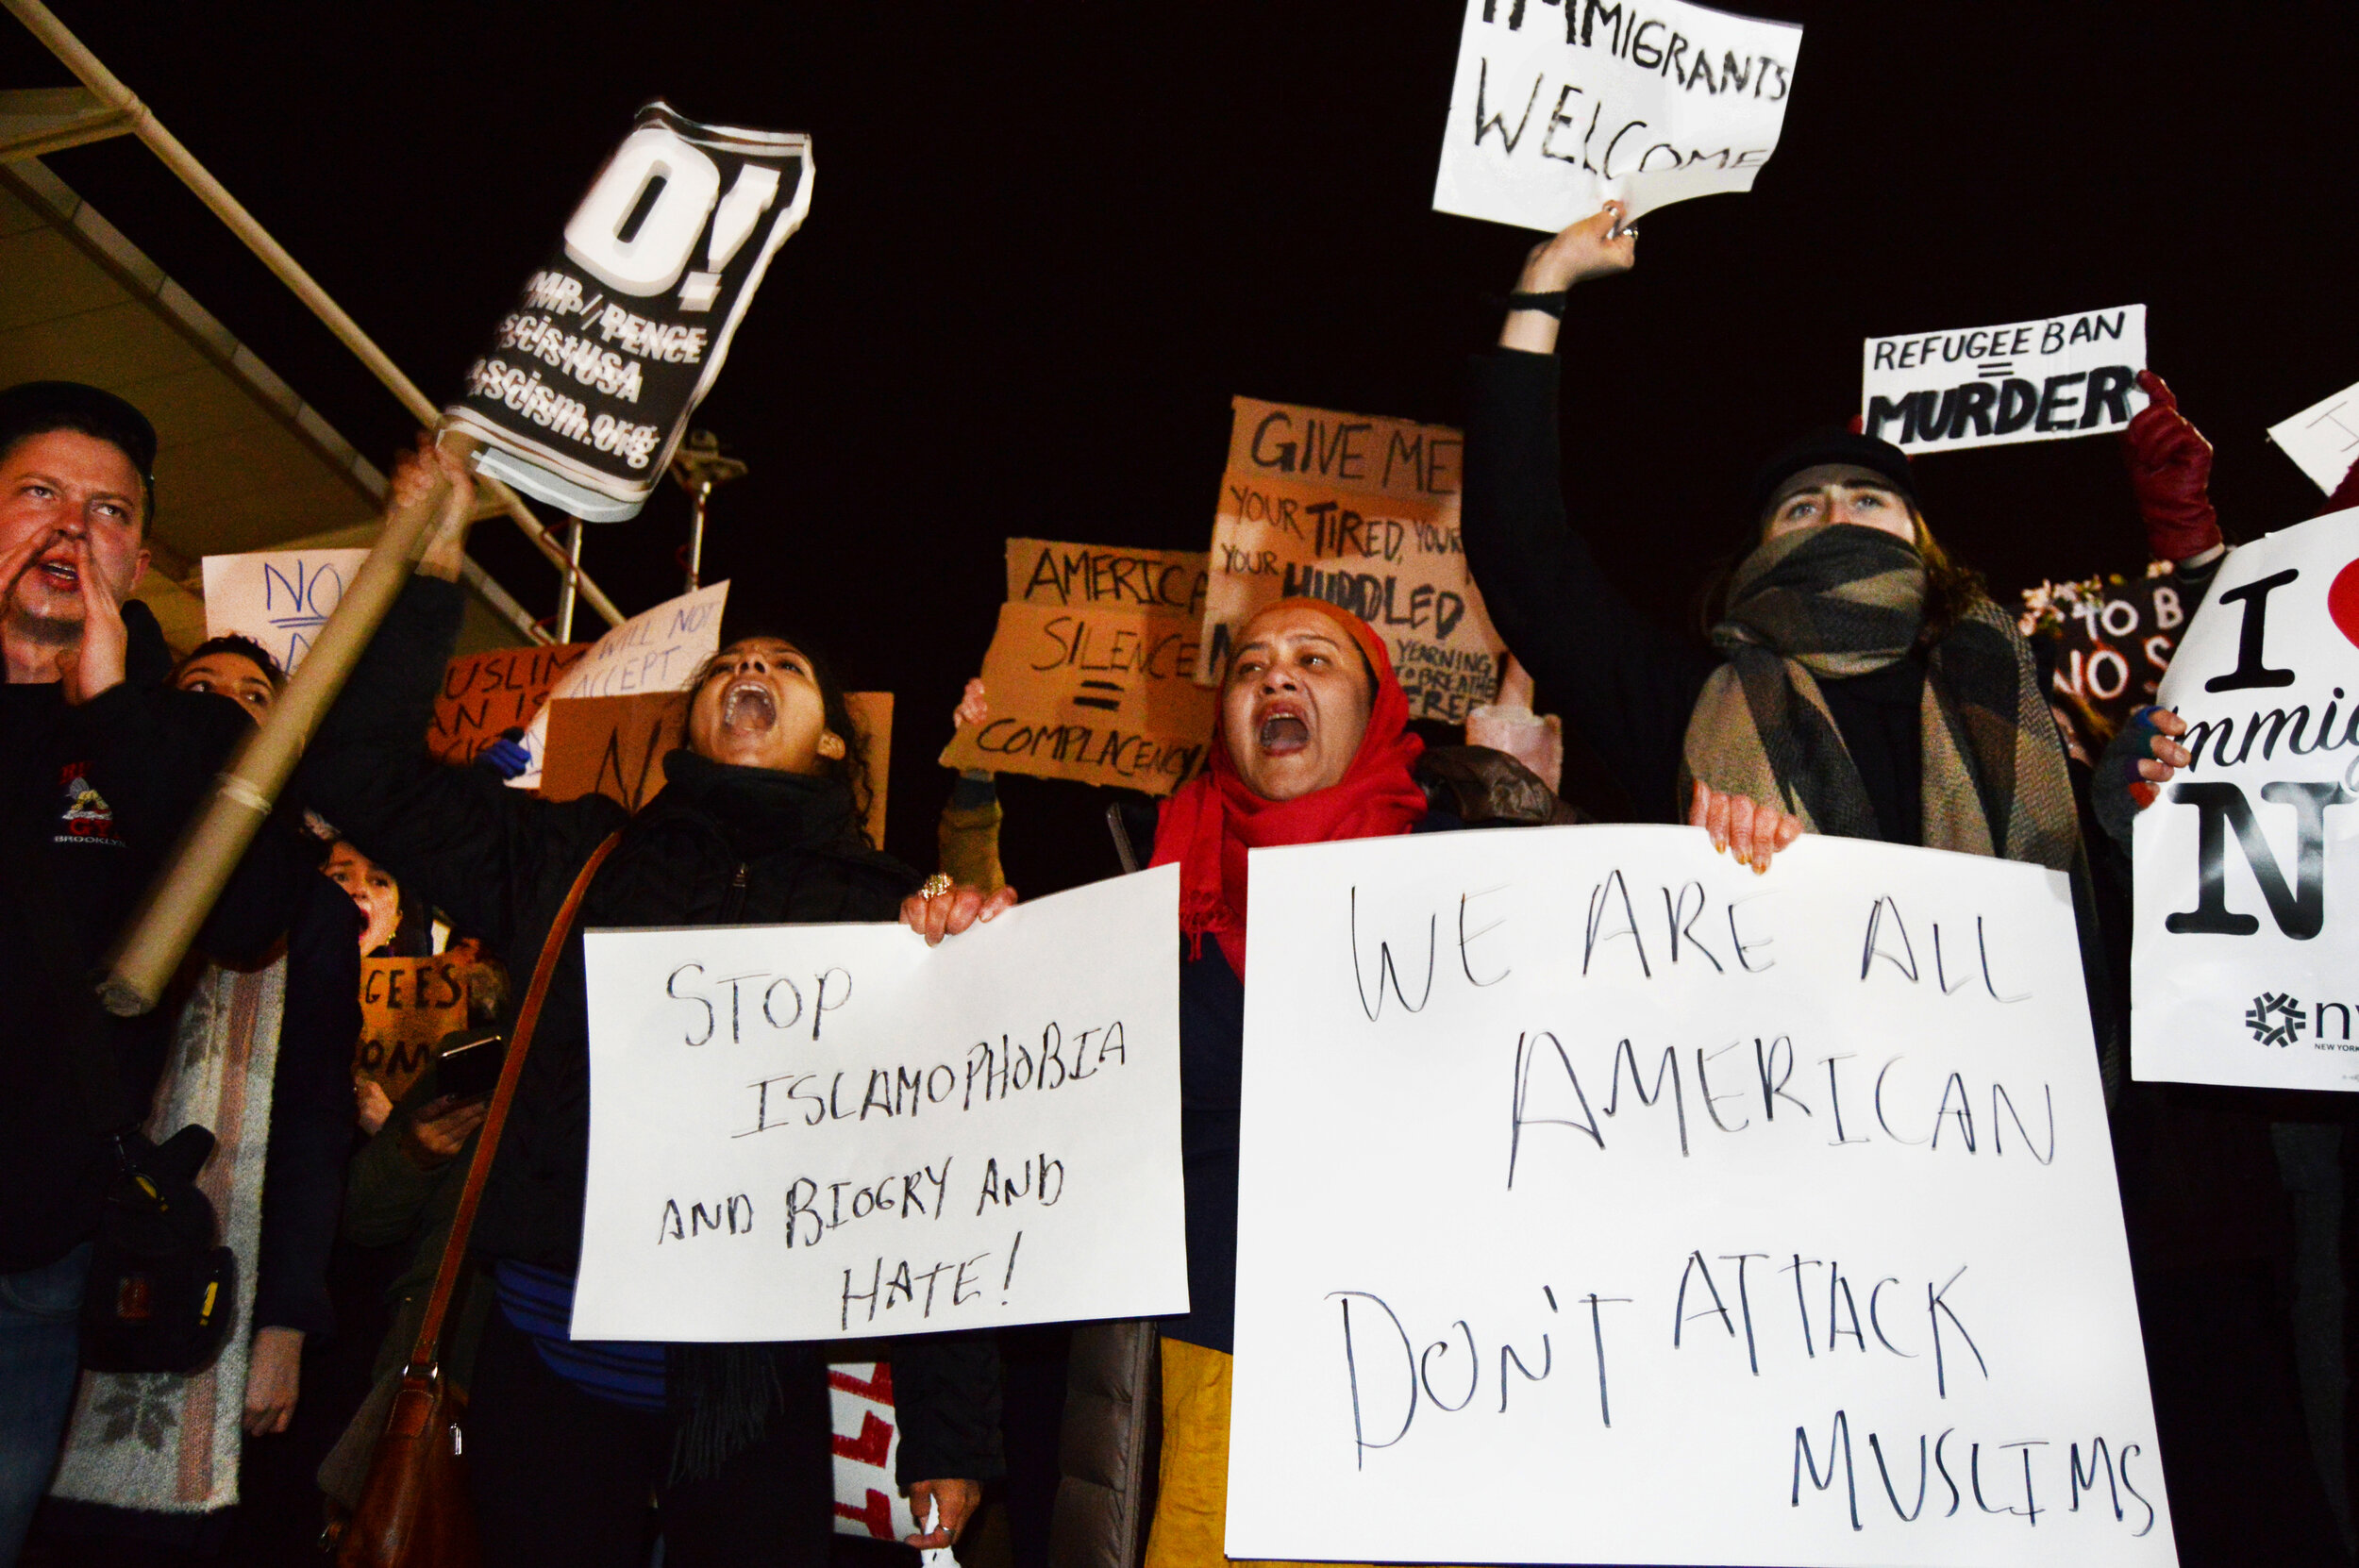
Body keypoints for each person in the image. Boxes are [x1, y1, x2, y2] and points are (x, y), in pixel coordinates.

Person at [297, 437, 1007, 1567]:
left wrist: (947, 1433)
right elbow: (356, 775)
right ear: (687, 722)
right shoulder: (572, 860)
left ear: (829, 737)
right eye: (726, 666)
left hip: (757, 1392)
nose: (747, 673)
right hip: (548, 1360)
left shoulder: (891, 916)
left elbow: (932, 1183)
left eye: (781, 666)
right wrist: (424, 570)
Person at [1460, 204, 2131, 1070]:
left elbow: (2114, 928)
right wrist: (1543, 286)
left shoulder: (2009, 691)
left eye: (1869, 499)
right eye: (1803, 508)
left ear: (1918, 538)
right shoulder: (1692, 698)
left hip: (2013, 1126)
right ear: (1764, 551)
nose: (1837, 516)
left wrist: (2127, 815)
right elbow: (1523, 555)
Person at [1142, 596, 1470, 1568]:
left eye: (1312, 660)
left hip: (1444, 1359)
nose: (1274, 679)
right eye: (1248, 667)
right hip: (1226, 1357)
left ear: (1373, 711)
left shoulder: (1477, 880)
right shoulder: (1157, 892)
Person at [0, 381, 264, 1566]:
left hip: (34, 1241)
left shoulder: (184, 734)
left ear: (139, 555)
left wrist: (109, 706)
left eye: (105, 512)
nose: (68, 529)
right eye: (38, 495)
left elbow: (252, 913)